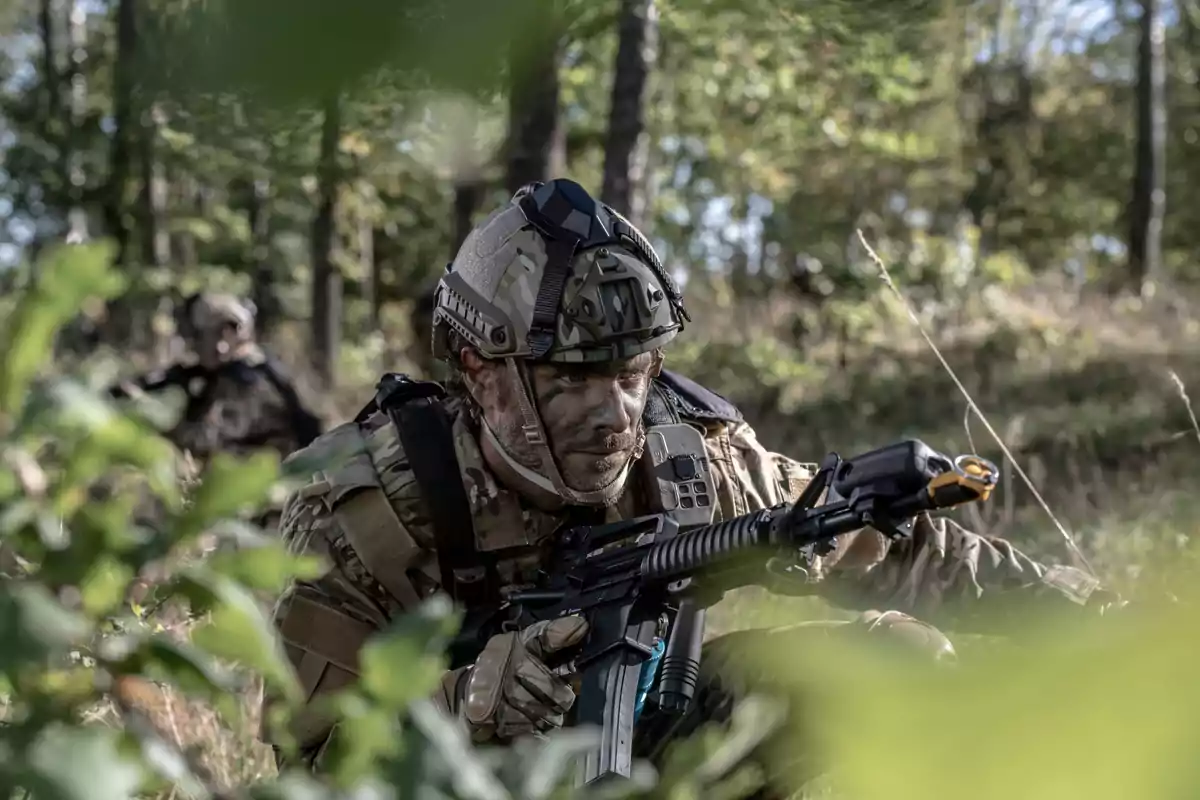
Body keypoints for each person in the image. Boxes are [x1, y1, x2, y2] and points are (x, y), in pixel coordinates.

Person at [265, 179, 1114, 786]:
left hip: (651, 740)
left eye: (631, 372)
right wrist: (463, 702)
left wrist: (1086, 614)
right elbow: (308, 752)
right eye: (568, 379)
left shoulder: (686, 460)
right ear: (478, 371)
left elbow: (878, 539)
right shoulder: (369, 509)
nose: (612, 412)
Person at [110, 292, 323, 465]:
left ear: (226, 334)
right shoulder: (242, 371)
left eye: (199, 336)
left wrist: (147, 411)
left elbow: (203, 442)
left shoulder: (250, 381)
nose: (193, 346)